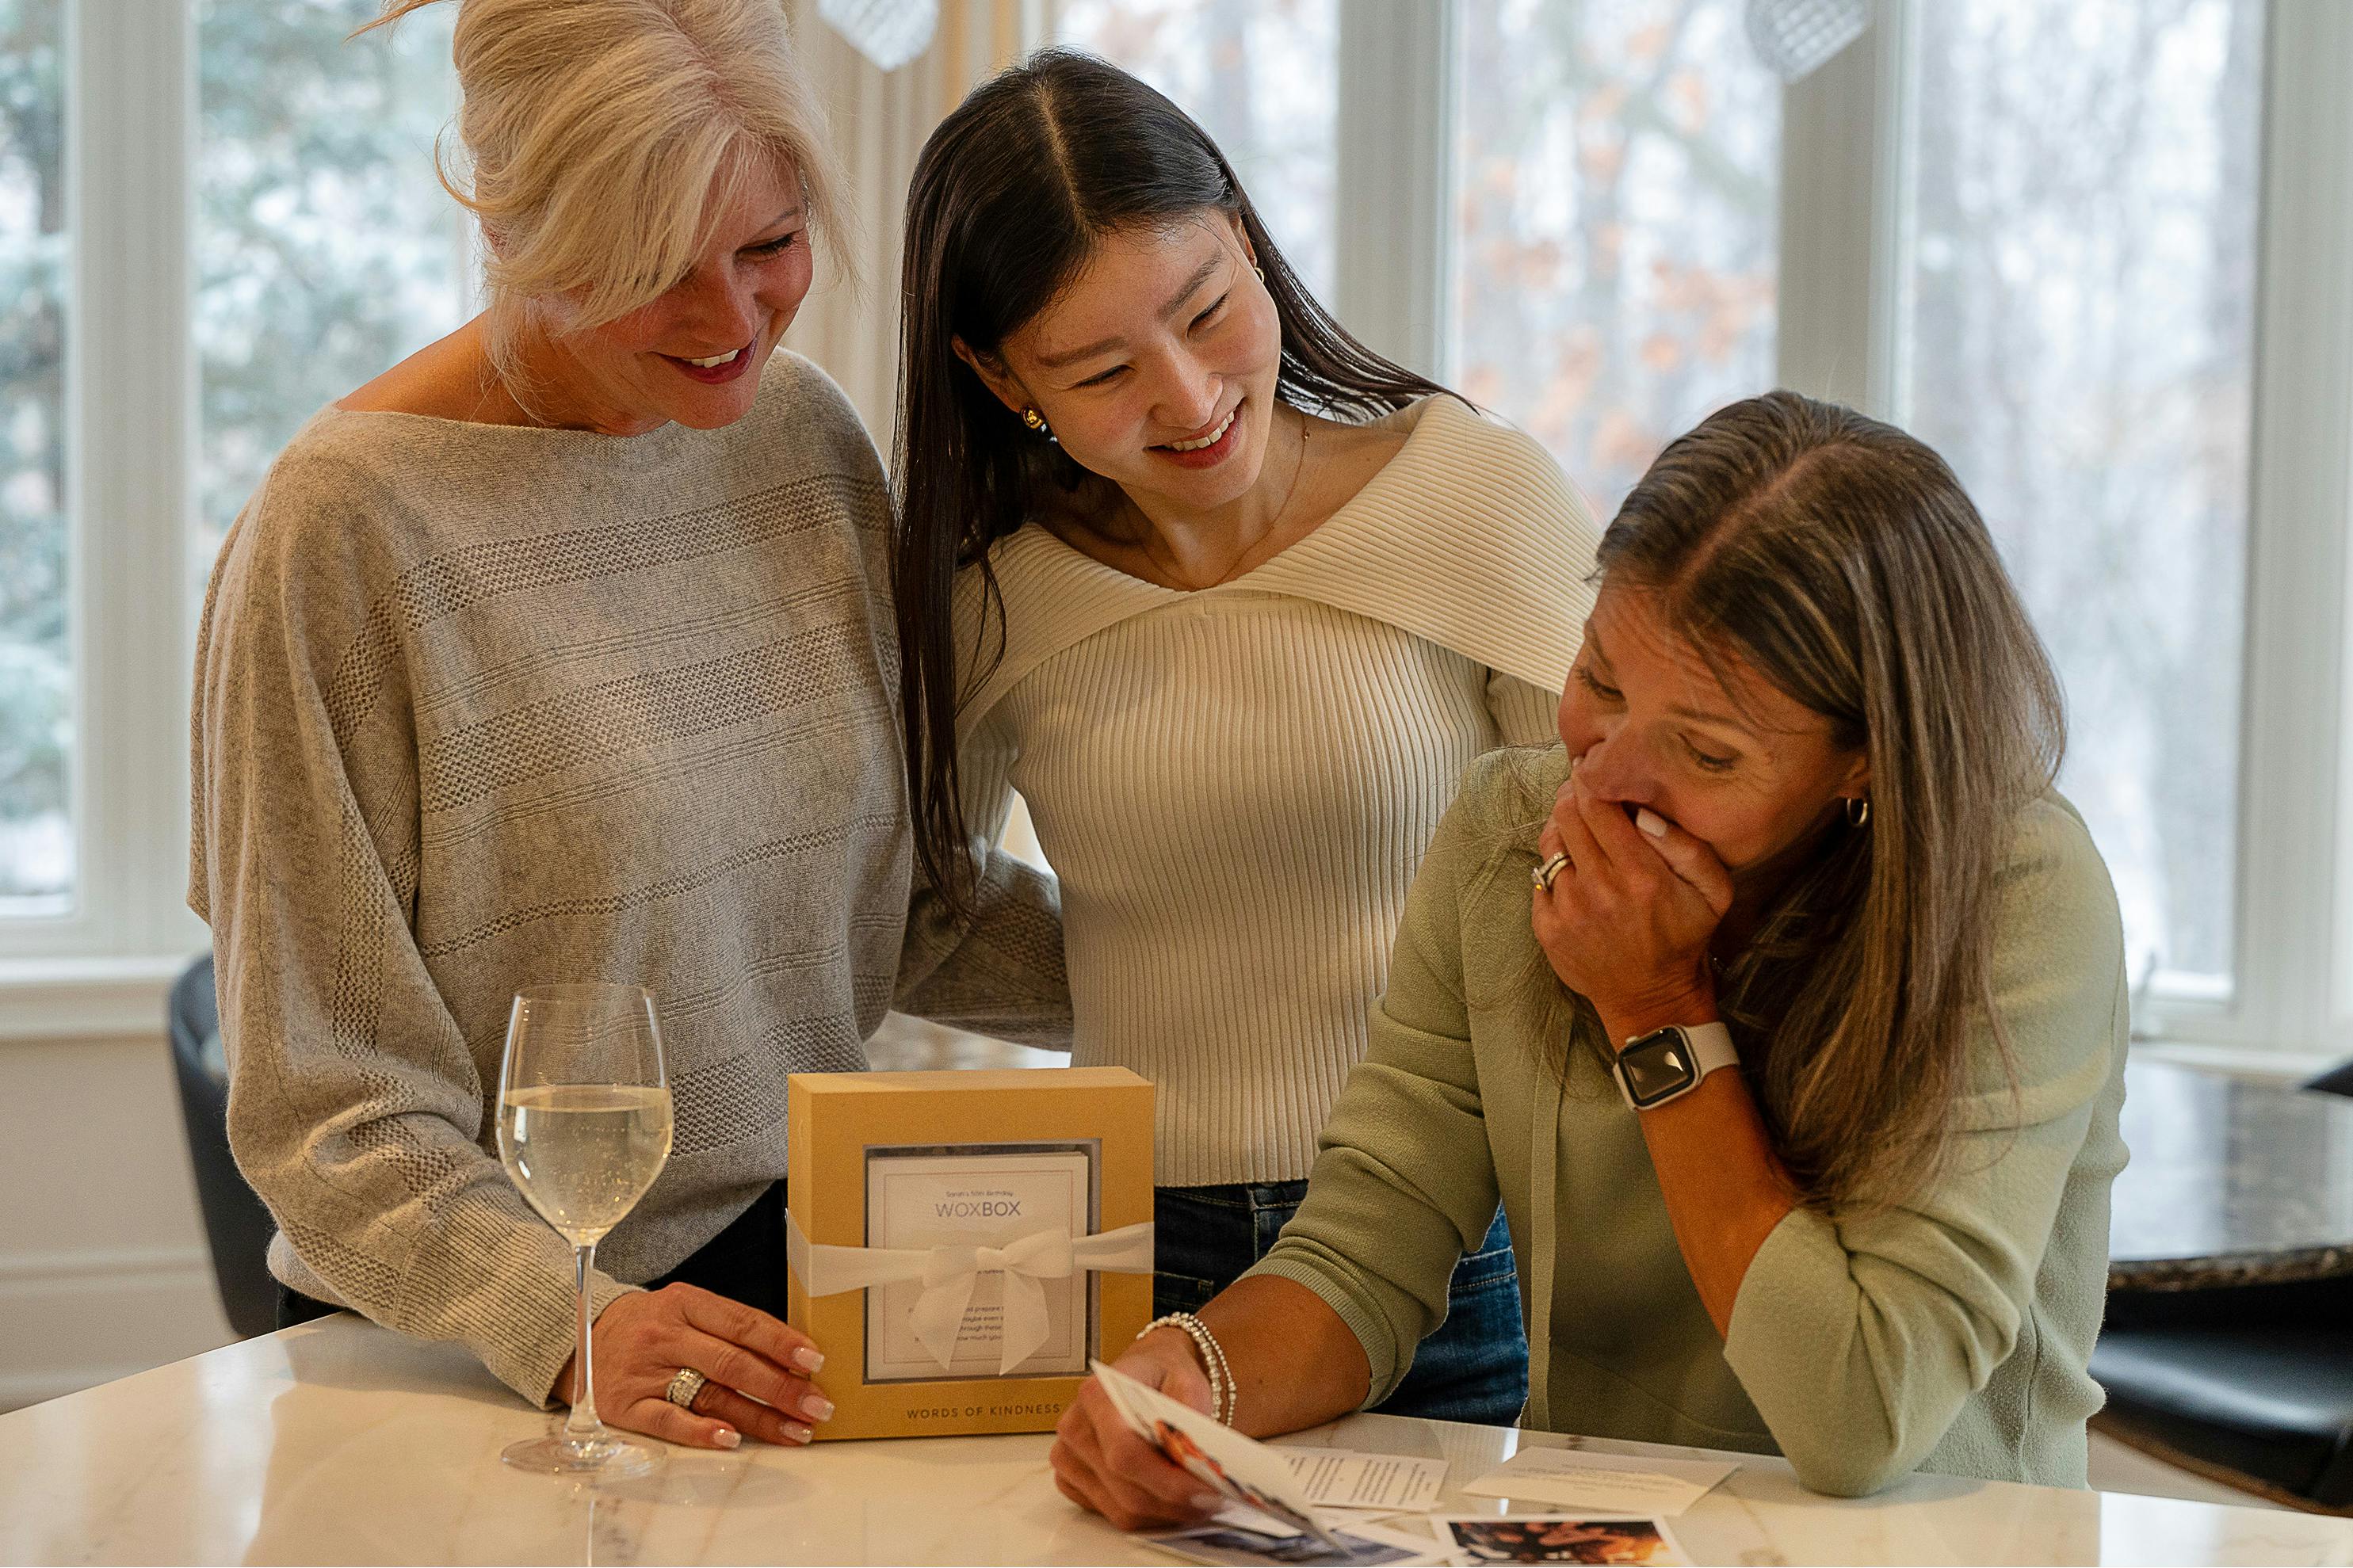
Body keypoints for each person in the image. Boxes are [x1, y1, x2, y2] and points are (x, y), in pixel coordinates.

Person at [189, 0, 1066, 1455]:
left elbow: (900, 912)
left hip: (789, 1304)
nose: (730, 321)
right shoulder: (340, 531)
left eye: (770, 247)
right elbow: (325, 1108)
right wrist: (568, 1326)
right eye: (653, 270)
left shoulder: (804, 445)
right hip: (476, 1355)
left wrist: (1257, 974)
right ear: (513, 227)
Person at [1049, 391, 2130, 1511]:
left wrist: (1657, 1011)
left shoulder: (2014, 890)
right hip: (1612, 1531)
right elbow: (1372, 1242)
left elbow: (1861, 1420)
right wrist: (1200, 1377)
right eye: (1600, 682)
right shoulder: (1504, 831)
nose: (1602, 778)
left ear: (1867, 760)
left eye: (1705, 752)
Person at [892, 50, 1605, 1425]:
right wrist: (1138, 972)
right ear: (997, 376)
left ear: (1244, 234)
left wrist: (1424, 1035)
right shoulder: (995, 601)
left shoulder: (1470, 494)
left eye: (1207, 311)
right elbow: (917, 915)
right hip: (1118, 1244)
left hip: (1455, 1237)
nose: (1187, 395)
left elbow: (1608, 877)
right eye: (1102, 369)